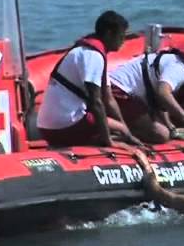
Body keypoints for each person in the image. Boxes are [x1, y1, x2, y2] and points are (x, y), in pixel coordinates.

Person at [36, 10, 138, 147]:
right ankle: (104, 142)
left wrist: (127, 132)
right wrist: (110, 140)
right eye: (120, 37)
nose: (123, 42)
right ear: (109, 34)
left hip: (46, 127)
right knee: (119, 130)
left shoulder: (88, 51)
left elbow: (109, 99)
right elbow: (96, 102)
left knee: (122, 130)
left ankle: (100, 140)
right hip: (65, 126)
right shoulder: (93, 56)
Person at [109, 37, 184, 144]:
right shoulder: (179, 68)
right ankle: (116, 133)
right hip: (120, 91)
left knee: (182, 115)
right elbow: (163, 93)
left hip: (140, 98)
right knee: (161, 134)